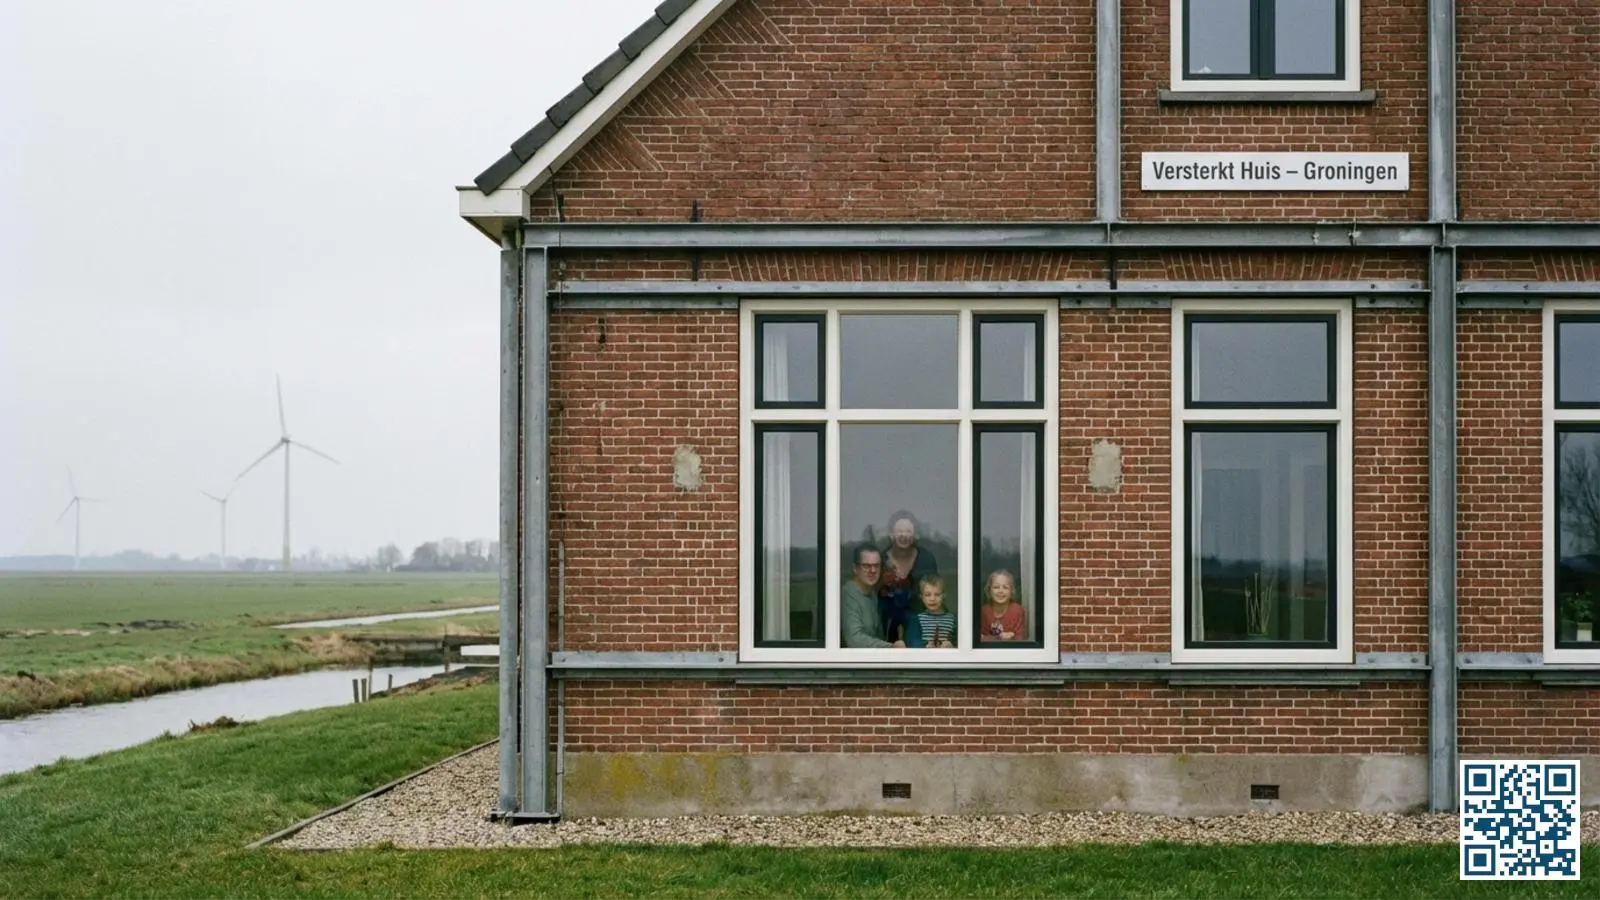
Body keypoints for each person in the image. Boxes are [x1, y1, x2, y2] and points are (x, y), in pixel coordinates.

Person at [878, 509, 938, 643]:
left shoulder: (926, 559)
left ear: (915, 534)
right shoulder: (880, 560)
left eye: (908, 531)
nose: (903, 535)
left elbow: (936, 591)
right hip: (885, 625)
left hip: (920, 624)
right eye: (899, 531)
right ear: (891, 533)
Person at [842, 544, 905, 649]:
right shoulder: (847, 594)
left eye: (876, 566)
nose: (872, 570)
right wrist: (890, 647)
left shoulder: (872, 594)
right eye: (866, 566)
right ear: (855, 568)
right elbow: (854, 639)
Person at [906, 574, 956, 648]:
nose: (932, 599)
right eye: (927, 595)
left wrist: (952, 645)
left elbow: (961, 642)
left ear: (944, 595)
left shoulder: (952, 619)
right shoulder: (917, 619)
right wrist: (925, 645)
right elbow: (912, 642)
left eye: (937, 594)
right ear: (921, 597)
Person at [980, 569, 1026, 642]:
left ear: (1011, 591)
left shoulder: (1017, 610)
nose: (1000, 591)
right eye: (996, 587)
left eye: (1005, 587)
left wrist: (1013, 637)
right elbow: (981, 639)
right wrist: (999, 638)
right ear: (989, 590)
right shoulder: (984, 611)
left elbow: (1020, 639)